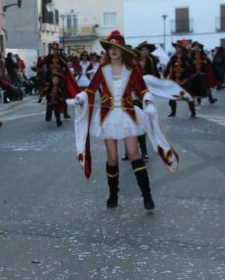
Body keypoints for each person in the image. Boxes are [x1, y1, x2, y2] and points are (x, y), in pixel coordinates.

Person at [74, 31, 159, 210]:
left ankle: (147, 196)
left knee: (134, 153)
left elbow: (143, 90)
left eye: (116, 48)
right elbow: (90, 90)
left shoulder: (132, 70)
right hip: (108, 116)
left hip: (128, 115)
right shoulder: (102, 70)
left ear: (122, 51)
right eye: (110, 48)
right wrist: (81, 98)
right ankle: (113, 194)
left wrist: (149, 103)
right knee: (112, 158)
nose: (113, 51)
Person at [164, 42, 197, 118]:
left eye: (178, 47)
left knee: (188, 96)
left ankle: (193, 112)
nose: (176, 49)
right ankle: (173, 111)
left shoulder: (186, 58)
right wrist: (165, 75)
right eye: (175, 47)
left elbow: (191, 68)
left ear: (181, 49)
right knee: (172, 97)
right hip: (175, 81)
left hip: (185, 80)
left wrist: (190, 75)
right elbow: (168, 67)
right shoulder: (173, 58)